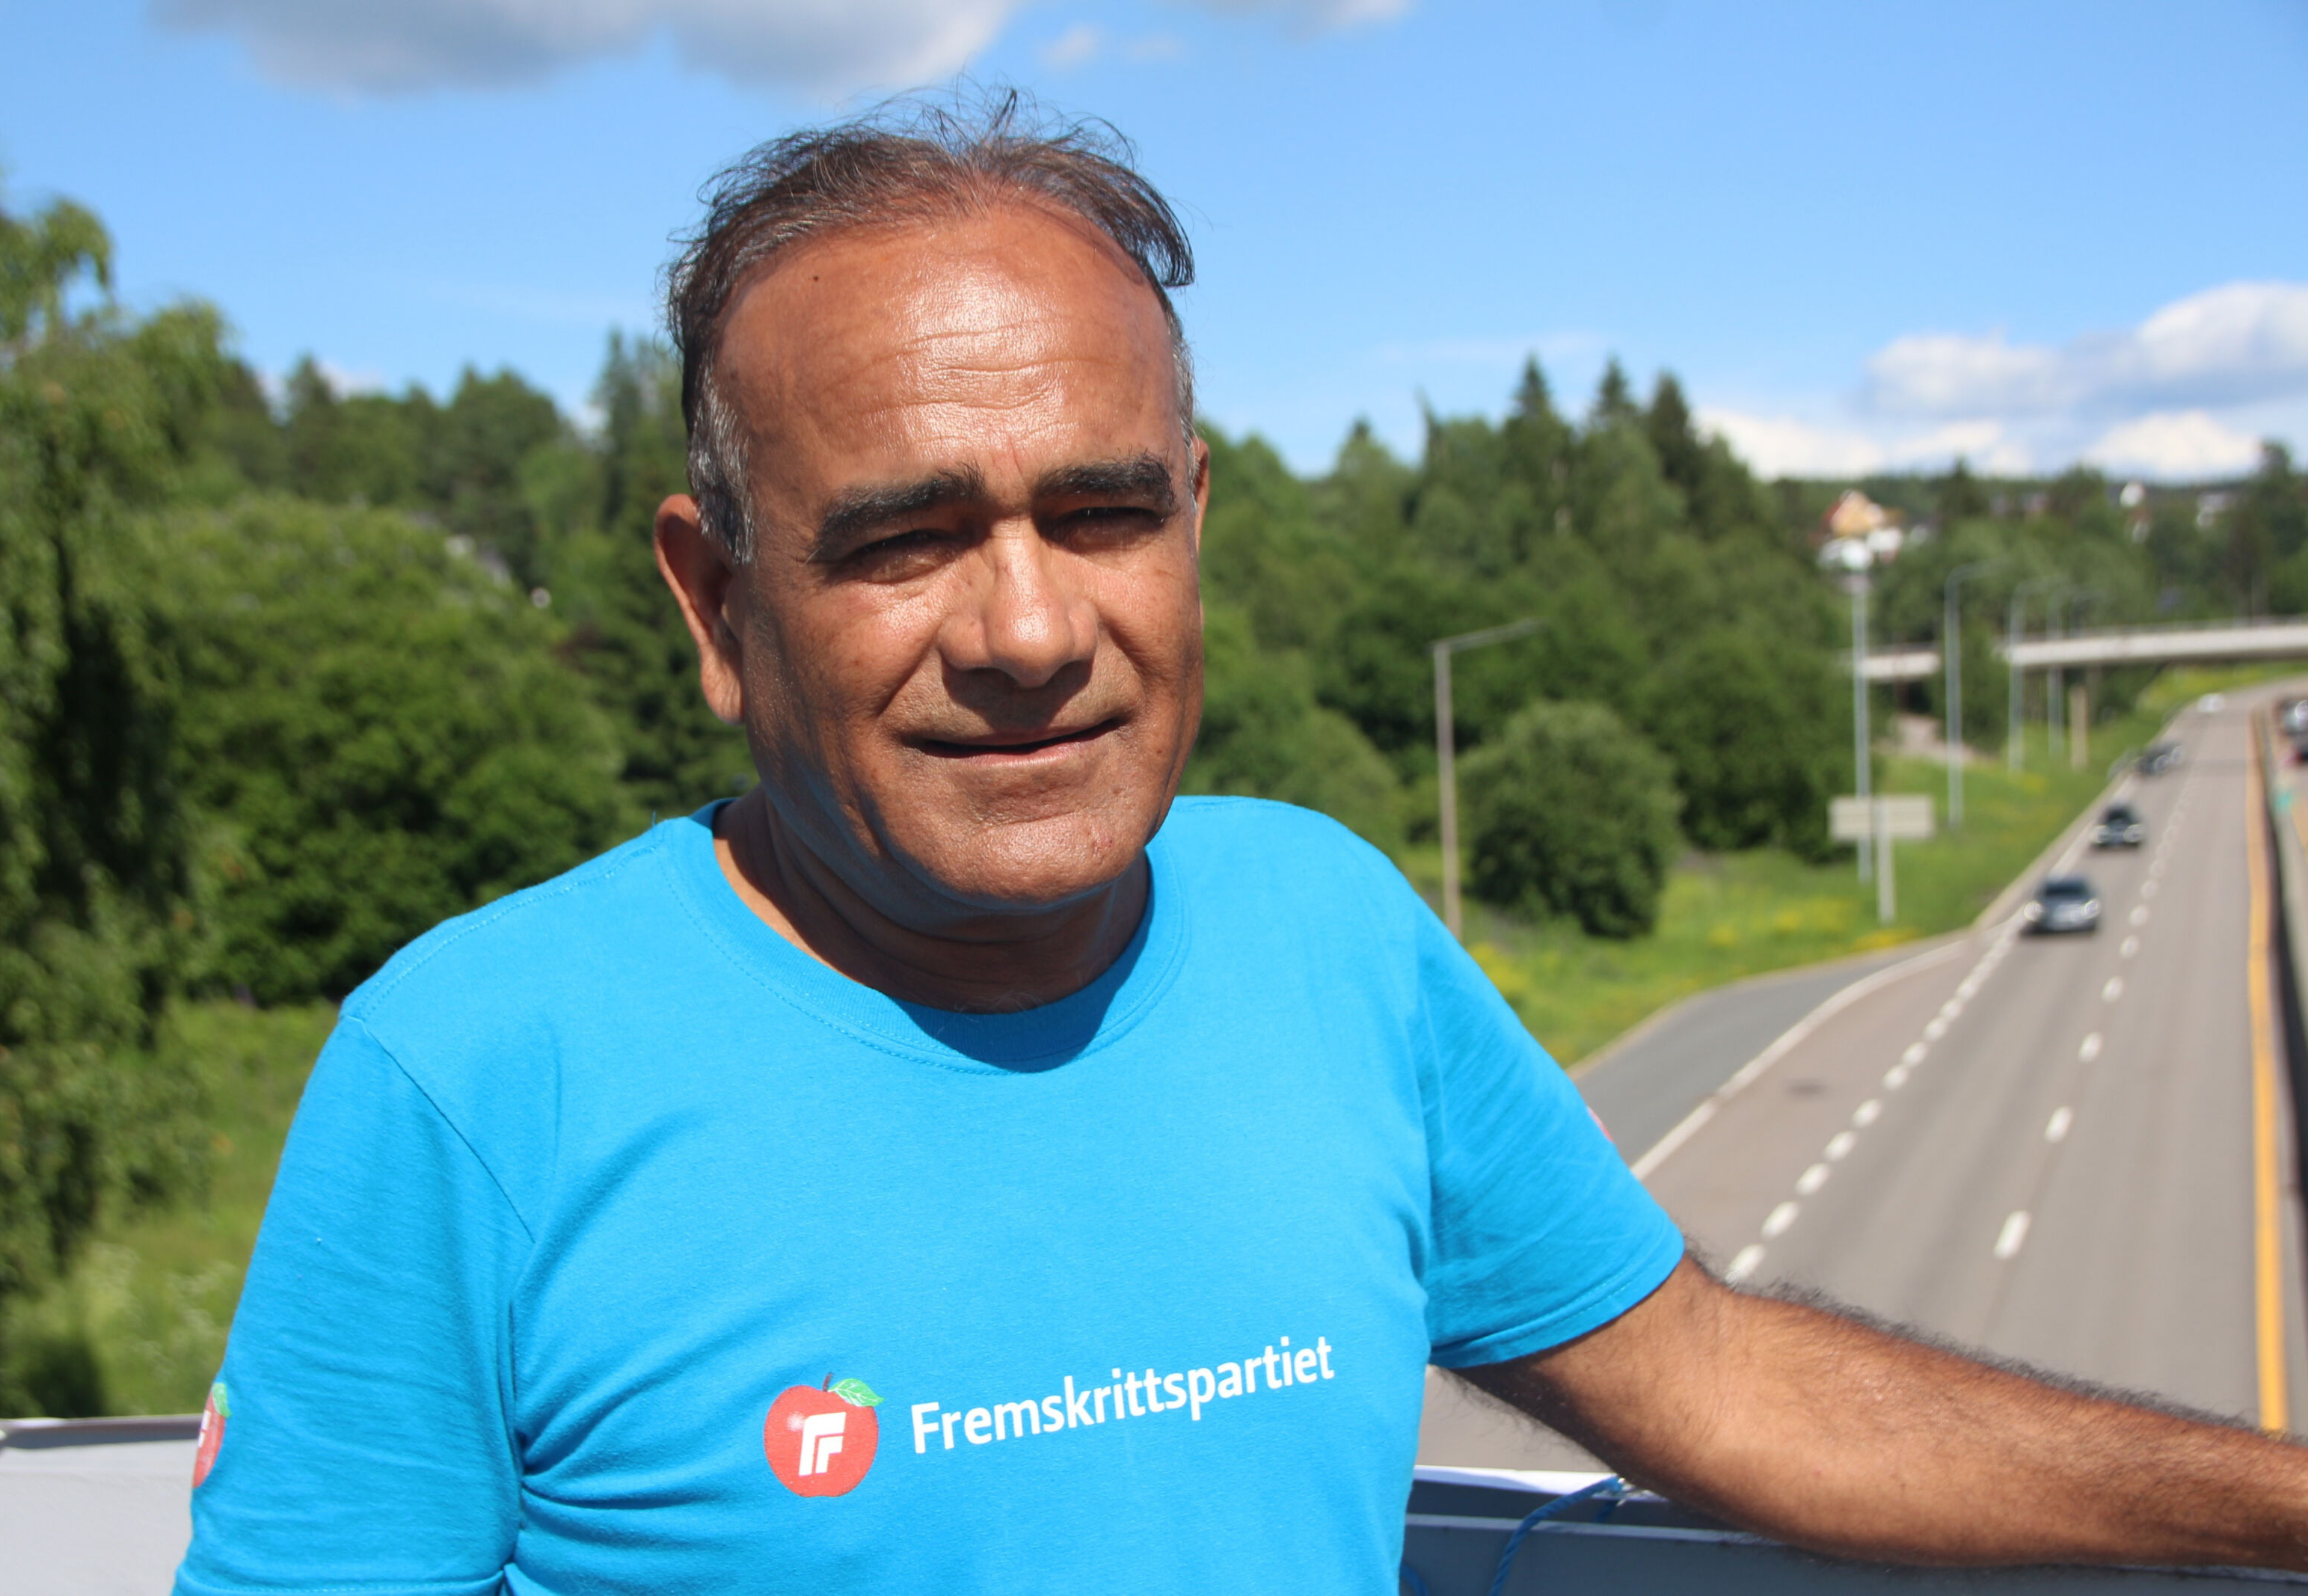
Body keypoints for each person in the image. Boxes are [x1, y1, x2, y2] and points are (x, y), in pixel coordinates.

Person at [175, 99, 2308, 1595]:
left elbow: (1726, 1384)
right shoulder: (475, 1075)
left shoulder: (1325, 930)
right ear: (718, 604)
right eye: (907, 540)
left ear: (1195, 523)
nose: (1029, 632)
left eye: (1102, 513)